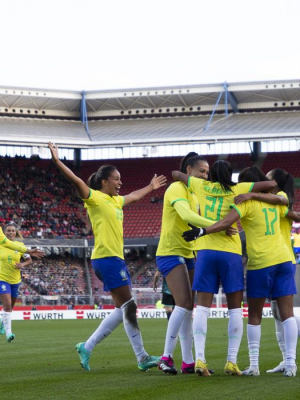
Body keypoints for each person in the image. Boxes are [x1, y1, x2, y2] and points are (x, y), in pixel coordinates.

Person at [48, 141, 166, 372]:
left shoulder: (116, 201)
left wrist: (151, 187)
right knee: (130, 307)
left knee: (122, 309)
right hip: (106, 258)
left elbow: (133, 195)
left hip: (114, 259)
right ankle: (141, 357)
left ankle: (87, 346)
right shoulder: (94, 198)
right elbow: (77, 180)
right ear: (105, 181)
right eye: (116, 178)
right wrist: (57, 160)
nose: (120, 182)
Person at [183, 166, 298, 377]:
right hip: (284, 259)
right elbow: (291, 211)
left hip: (260, 262)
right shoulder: (278, 199)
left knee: (254, 315)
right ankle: (291, 363)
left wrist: (203, 230)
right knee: (287, 315)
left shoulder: (245, 201)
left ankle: (253, 365)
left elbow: (227, 222)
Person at [156, 153, 233, 375]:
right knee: (183, 303)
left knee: (189, 307)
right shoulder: (175, 189)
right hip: (170, 252)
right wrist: (219, 225)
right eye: (202, 171)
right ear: (188, 170)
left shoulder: (195, 192)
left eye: (208, 172)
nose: (206, 175)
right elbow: (187, 215)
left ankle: (188, 361)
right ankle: (166, 357)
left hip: (189, 252)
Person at [0, 222, 44, 342]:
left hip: (15, 281)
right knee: (7, 305)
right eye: (8, 230)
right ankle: (9, 333)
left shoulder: (19, 245)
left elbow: (28, 260)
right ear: (3, 233)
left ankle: (1, 320)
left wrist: (22, 264)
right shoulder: (1, 244)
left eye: (13, 231)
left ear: (16, 232)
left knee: (10, 307)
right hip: (2, 279)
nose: (11, 233)